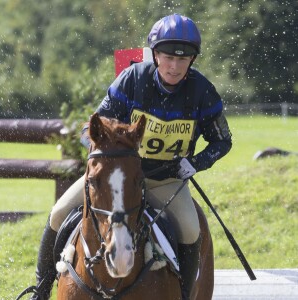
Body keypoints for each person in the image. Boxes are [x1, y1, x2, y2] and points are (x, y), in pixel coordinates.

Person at [29, 14, 232, 300]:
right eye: (167, 57)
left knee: (190, 229)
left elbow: (222, 141)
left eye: (183, 59)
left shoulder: (202, 92)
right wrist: (100, 153)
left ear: (192, 60)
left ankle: (185, 295)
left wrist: (195, 163)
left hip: (165, 180)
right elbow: (90, 128)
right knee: (59, 213)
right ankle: (40, 290)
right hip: (115, 179)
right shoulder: (131, 80)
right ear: (155, 55)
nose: (174, 66)